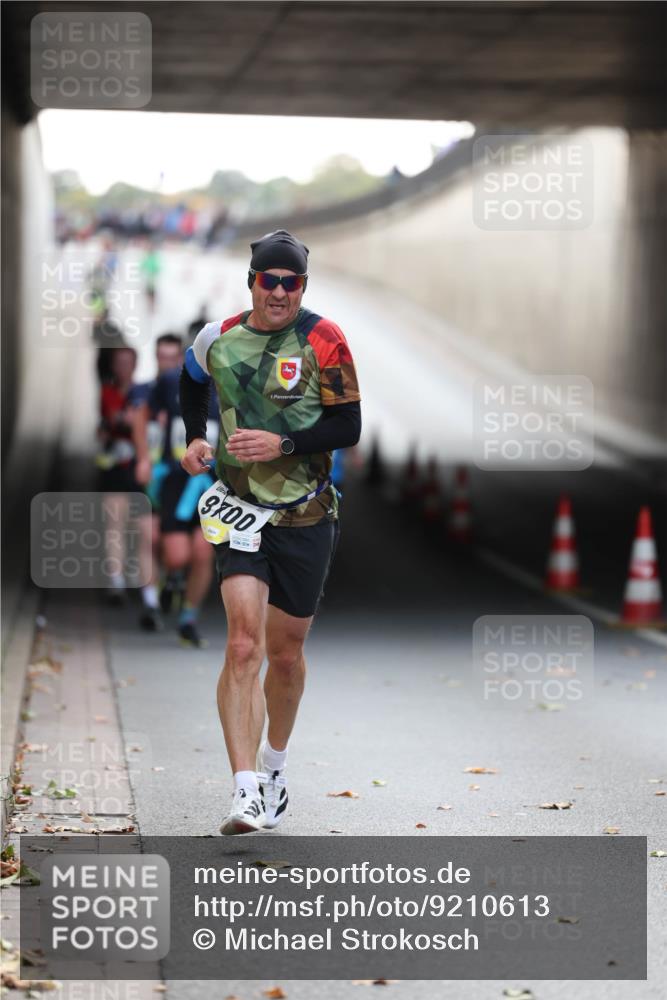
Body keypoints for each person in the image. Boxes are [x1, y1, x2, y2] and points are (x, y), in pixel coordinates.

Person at [179, 229, 361, 835]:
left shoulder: (323, 339)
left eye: (291, 282)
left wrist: (282, 442)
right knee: (242, 646)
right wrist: (194, 437)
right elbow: (190, 378)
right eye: (269, 279)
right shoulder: (219, 337)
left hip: (306, 515)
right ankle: (244, 789)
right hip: (238, 510)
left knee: (285, 656)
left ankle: (274, 768)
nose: (279, 291)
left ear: (302, 286)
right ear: (252, 281)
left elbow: (348, 426)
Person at [134, 341, 219, 648]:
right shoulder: (174, 380)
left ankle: (188, 619)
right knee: (177, 554)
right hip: (177, 481)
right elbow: (141, 415)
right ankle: (171, 580)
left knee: (203, 552)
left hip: (215, 488)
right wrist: (144, 457)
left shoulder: (236, 385)